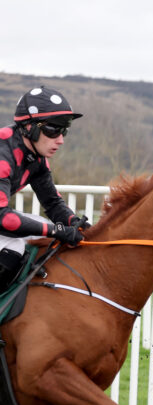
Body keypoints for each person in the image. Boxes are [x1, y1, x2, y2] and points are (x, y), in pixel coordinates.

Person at [0, 85, 89, 288]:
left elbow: (52, 203)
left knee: (41, 230)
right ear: (28, 127)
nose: (60, 140)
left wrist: (76, 223)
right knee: (14, 246)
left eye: (64, 131)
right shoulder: (2, 153)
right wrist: (56, 230)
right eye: (53, 130)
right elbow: (3, 218)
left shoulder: (35, 158)